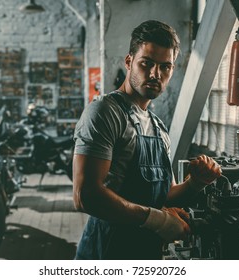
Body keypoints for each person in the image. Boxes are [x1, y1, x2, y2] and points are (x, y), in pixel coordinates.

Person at [72, 20, 221, 260]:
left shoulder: (158, 128)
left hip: (145, 254)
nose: (155, 74)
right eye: (147, 63)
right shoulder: (105, 112)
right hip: (106, 253)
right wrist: (159, 219)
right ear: (129, 62)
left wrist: (196, 183)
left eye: (165, 67)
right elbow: (85, 196)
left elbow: (165, 194)